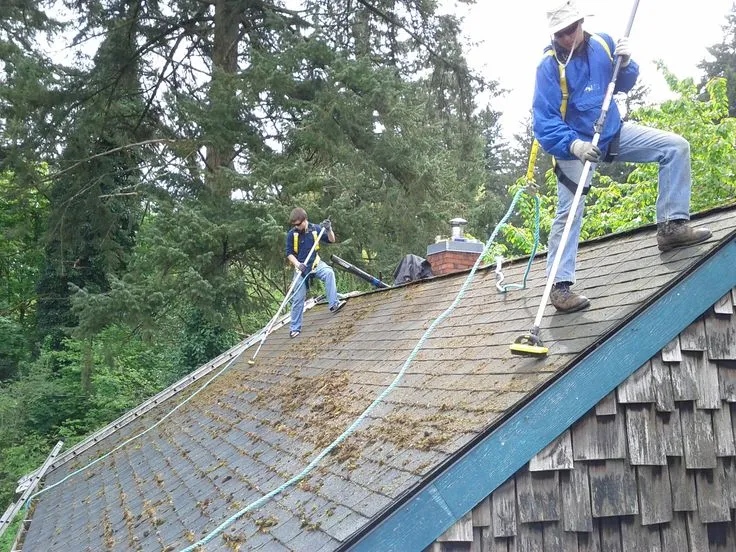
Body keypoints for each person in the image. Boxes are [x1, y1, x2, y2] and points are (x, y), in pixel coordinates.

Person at [533, 0, 712, 313]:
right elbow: (545, 121)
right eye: (560, 33)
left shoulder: (603, 44)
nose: (568, 37)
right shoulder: (550, 67)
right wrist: (574, 146)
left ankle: (671, 227)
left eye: (571, 29)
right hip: (574, 145)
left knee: (675, 147)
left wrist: (627, 63)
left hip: (611, 133)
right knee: (569, 210)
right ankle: (560, 287)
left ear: (580, 24)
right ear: (553, 35)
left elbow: (625, 84)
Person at [285, 207, 345, 338]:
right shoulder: (292, 234)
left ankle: (334, 304)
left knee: (329, 273)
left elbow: (331, 240)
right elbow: (289, 253)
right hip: (300, 268)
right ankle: (295, 328)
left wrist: (329, 229)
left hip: (315, 264)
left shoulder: (316, 229)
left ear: (305, 220)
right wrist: (297, 264)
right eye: (294, 224)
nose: (297, 226)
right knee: (298, 298)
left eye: (298, 224)